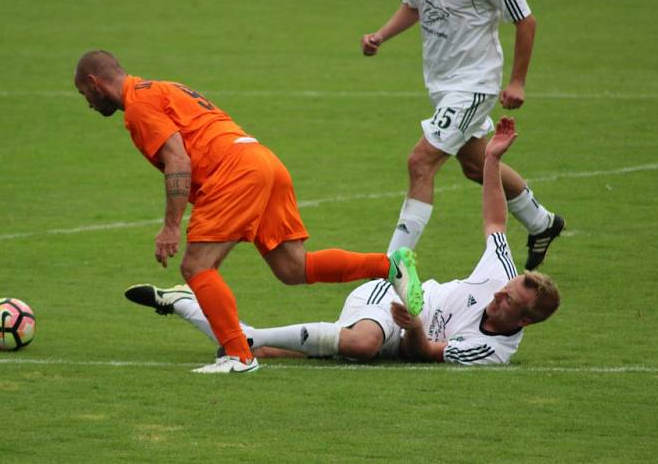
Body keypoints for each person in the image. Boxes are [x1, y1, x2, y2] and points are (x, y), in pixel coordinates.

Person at [74, 50, 419, 374]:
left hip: (233, 172)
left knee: (196, 266)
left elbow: (177, 160)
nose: (87, 104)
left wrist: (170, 226)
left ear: (95, 82)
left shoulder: (139, 105)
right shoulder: (161, 87)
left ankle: (239, 355)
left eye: (83, 94)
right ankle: (389, 265)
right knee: (293, 267)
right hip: (261, 159)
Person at [126, 117, 560, 365]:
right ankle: (392, 271)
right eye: (506, 287)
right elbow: (495, 219)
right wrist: (491, 158)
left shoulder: (493, 351)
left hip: (408, 330)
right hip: (388, 299)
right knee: (362, 343)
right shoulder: (502, 275)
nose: (499, 293)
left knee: (281, 349)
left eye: (507, 301)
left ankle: (186, 304)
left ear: (522, 321)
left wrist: (414, 326)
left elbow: (424, 353)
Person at [360, 0, 564, 270]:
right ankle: (542, 223)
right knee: (476, 164)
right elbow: (414, 5)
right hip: (442, 85)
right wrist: (381, 35)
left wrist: (517, 82)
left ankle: (390, 267)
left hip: (474, 86)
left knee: (420, 162)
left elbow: (526, 22)